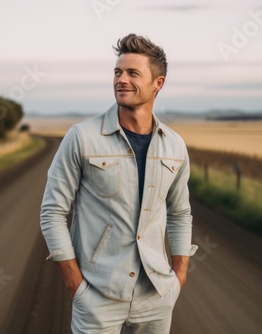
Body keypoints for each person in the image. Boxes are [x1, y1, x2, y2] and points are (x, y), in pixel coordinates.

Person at [40, 33, 197, 333]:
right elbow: (52, 212)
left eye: (132, 73)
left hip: (157, 297)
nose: (121, 80)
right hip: (97, 297)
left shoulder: (175, 146)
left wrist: (179, 277)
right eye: (117, 72)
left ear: (158, 84)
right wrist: (76, 285)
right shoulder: (82, 137)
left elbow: (180, 214)